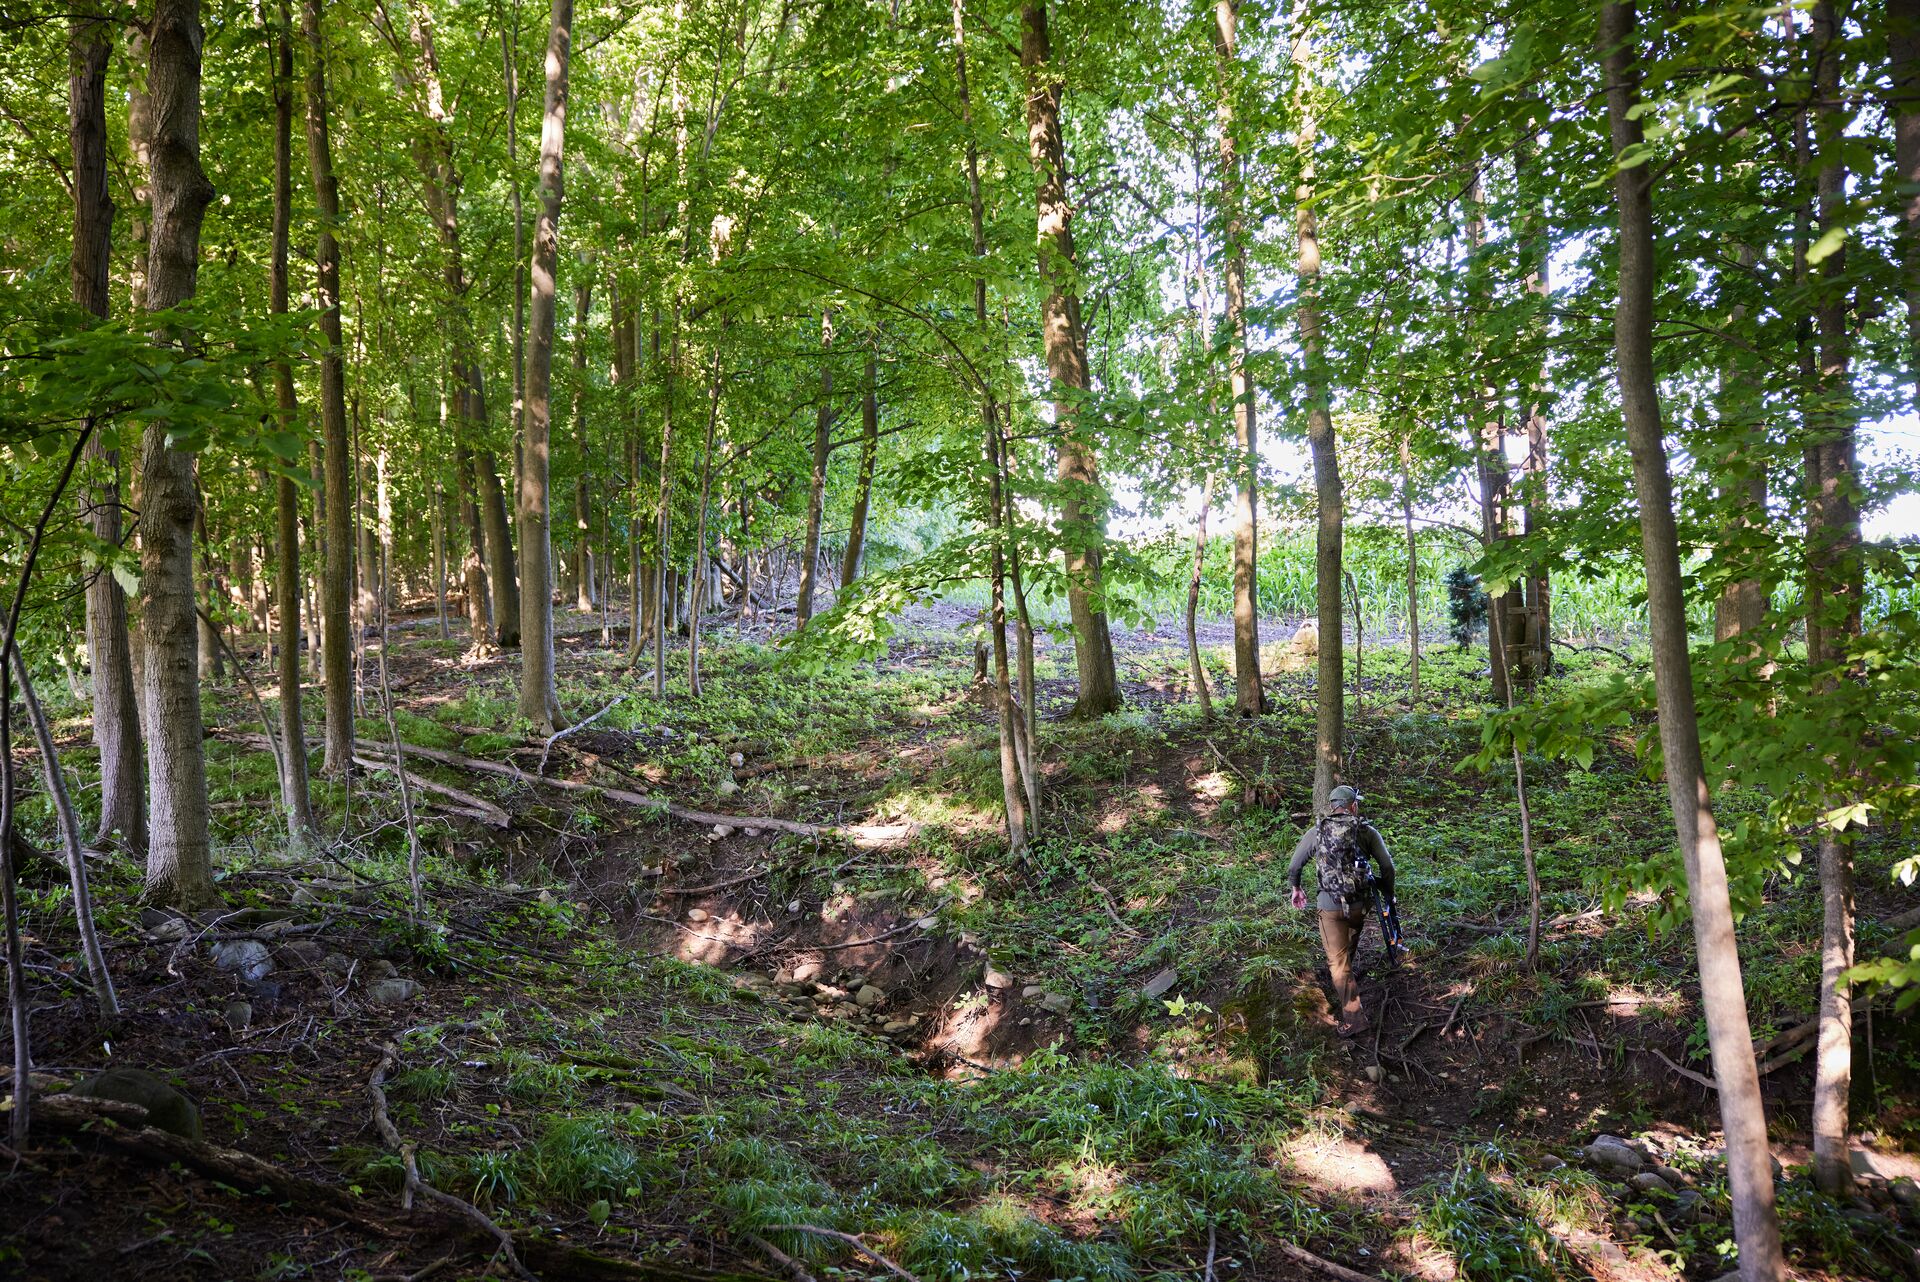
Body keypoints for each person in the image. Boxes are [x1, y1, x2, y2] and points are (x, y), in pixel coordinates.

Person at [1288, 785, 1395, 1037]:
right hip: (1359, 905)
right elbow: (1387, 867)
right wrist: (1387, 893)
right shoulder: (1366, 831)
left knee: (1337, 962)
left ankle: (1354, 1018)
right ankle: (1347, 981)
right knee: (1346, 951)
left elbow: (1295, 866)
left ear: (1332, 806)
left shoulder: (1317, 831)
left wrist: (1296, 889)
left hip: (1330, 905)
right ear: (1353, 806)